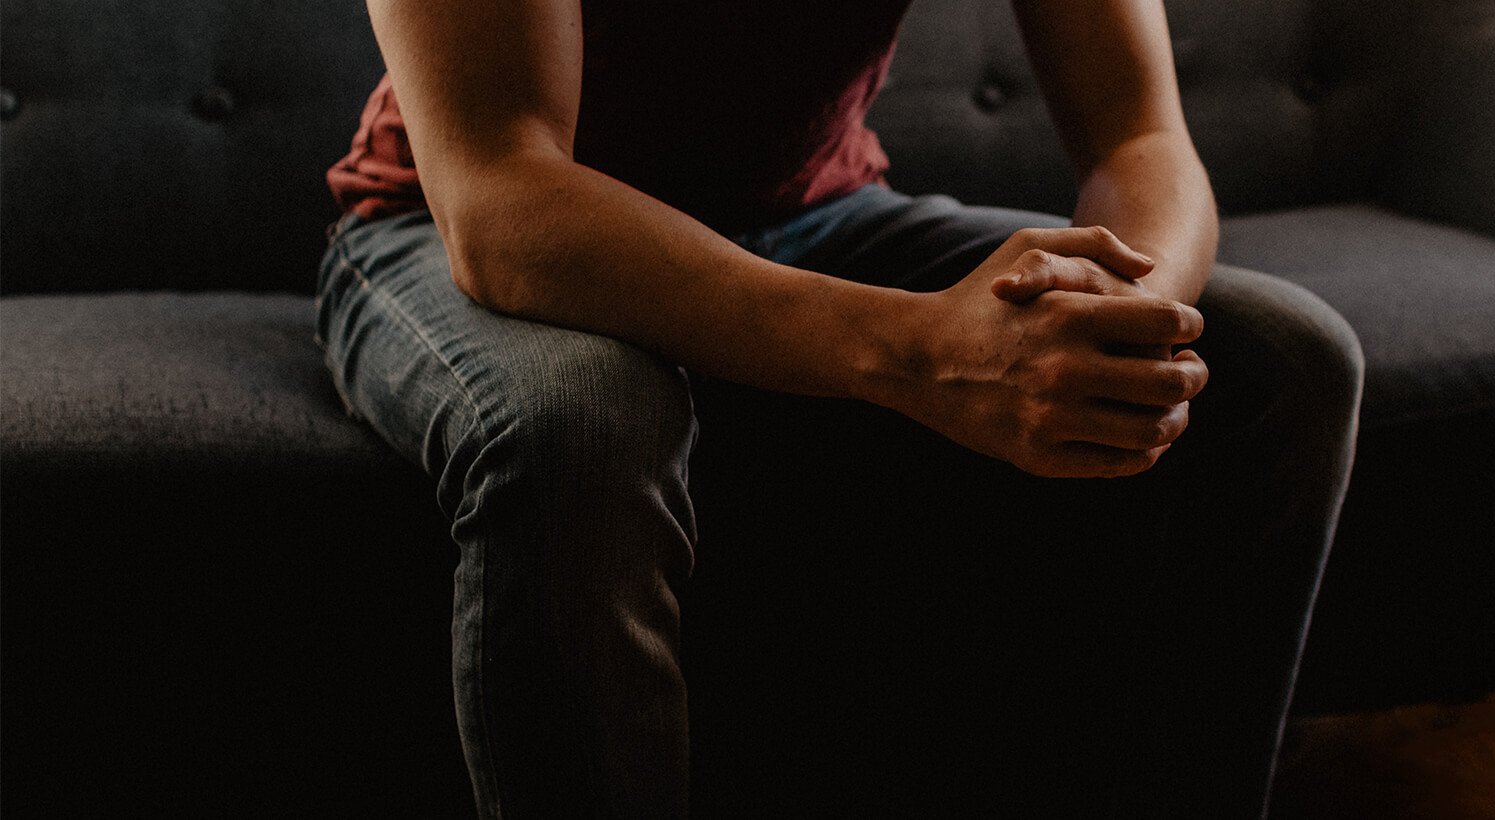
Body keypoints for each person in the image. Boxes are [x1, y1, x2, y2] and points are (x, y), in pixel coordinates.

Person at [318, 0, 1363, 815]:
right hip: (457, 227)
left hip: (810, 215)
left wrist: (1115, 327)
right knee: (583, 426)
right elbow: (500, 198)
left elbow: (1142, 139)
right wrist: (917, 353)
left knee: (1281, 363)